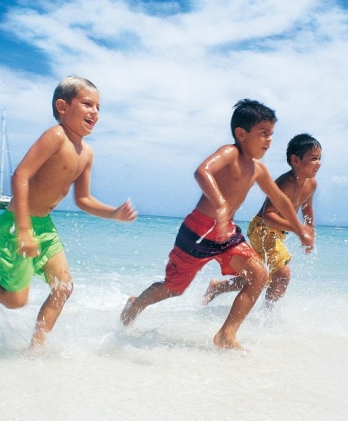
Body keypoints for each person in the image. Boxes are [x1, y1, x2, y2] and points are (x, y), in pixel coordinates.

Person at [0, 75, 137, 348]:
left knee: (63, 287)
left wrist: (113, 213)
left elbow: (83, 199)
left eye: (98, 107)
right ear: (62, 107)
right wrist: (23, 230)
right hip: (16, 223)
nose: (95, 112)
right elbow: (21, 175)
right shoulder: (55, 137)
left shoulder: (87, 153)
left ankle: (36, 349)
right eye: (87, 104)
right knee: (15, 301)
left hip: (44, 226)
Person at [120, 99, 314, 350]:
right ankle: (135, 304)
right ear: (241, 134)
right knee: (173, 288)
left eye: (271, 134)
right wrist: (221, 204)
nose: (269, 140)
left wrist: (300, 230)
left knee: (259, 275)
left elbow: (281, 200)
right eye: (263, 133)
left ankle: (226, 335)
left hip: (227, 233)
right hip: (197, 232)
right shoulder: (229, 153)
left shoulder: (258, 169)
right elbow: (202, 172)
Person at [202, 133, 321, 307]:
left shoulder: (311, 184)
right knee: (283, 273)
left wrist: (310, 231)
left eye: (319, 158)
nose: (318, 163)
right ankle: (268, 314)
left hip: (277, 234)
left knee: (262, 276)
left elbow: (307, 208)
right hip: (262, 230)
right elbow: (268, 215)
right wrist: (298, 229)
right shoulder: (285, 183)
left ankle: (218, 287)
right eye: (313, 159)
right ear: (296, 160)